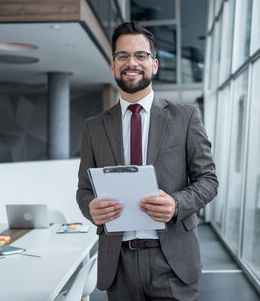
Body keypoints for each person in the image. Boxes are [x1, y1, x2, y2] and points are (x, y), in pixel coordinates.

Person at [76, 21, 218, 300]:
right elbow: (83, 189)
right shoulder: (94, 127)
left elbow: (208, 181)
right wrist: (90, 208)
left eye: (141, 55)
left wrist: (177, 204)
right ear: (113, 65)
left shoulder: (185, 117)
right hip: (118, 264)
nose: (132, 62)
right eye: (123, 56)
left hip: (172, 260)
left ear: (154, 64)